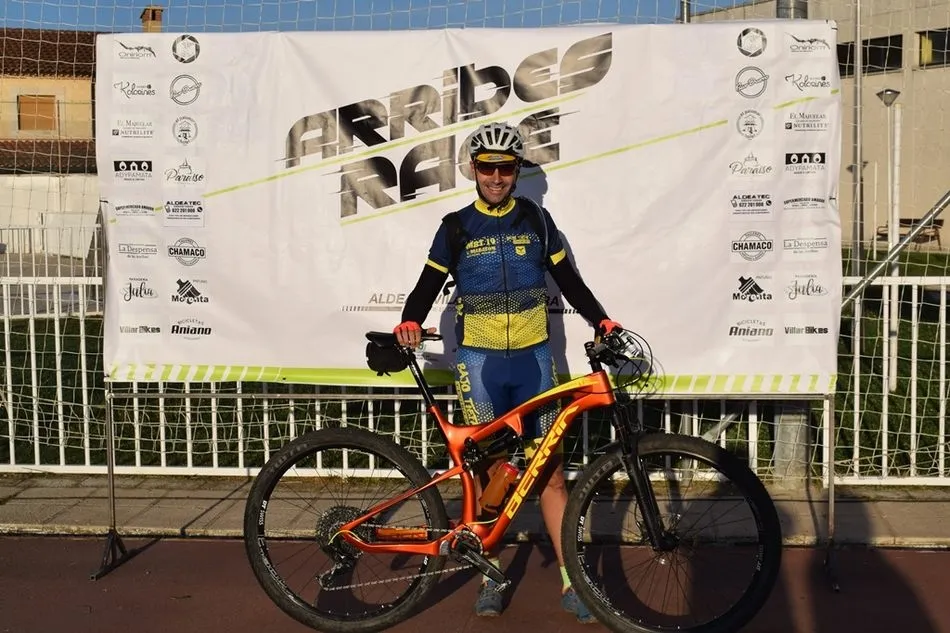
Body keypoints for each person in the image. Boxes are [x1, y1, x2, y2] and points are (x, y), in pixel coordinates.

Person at [393, 121, 622, 623]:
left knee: (550, 474)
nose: (496, 177)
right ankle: (491, 576)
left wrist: (601, 319)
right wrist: (410, 318)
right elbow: (426, 285)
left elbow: (568, 280)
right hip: (480, 364)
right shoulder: (455, 226)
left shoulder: (536, 219)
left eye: (506, 168)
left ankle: (572, 582)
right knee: (487, 474)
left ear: (517, 170)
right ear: (472, 169)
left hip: (534, 361)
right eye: (487, 167)